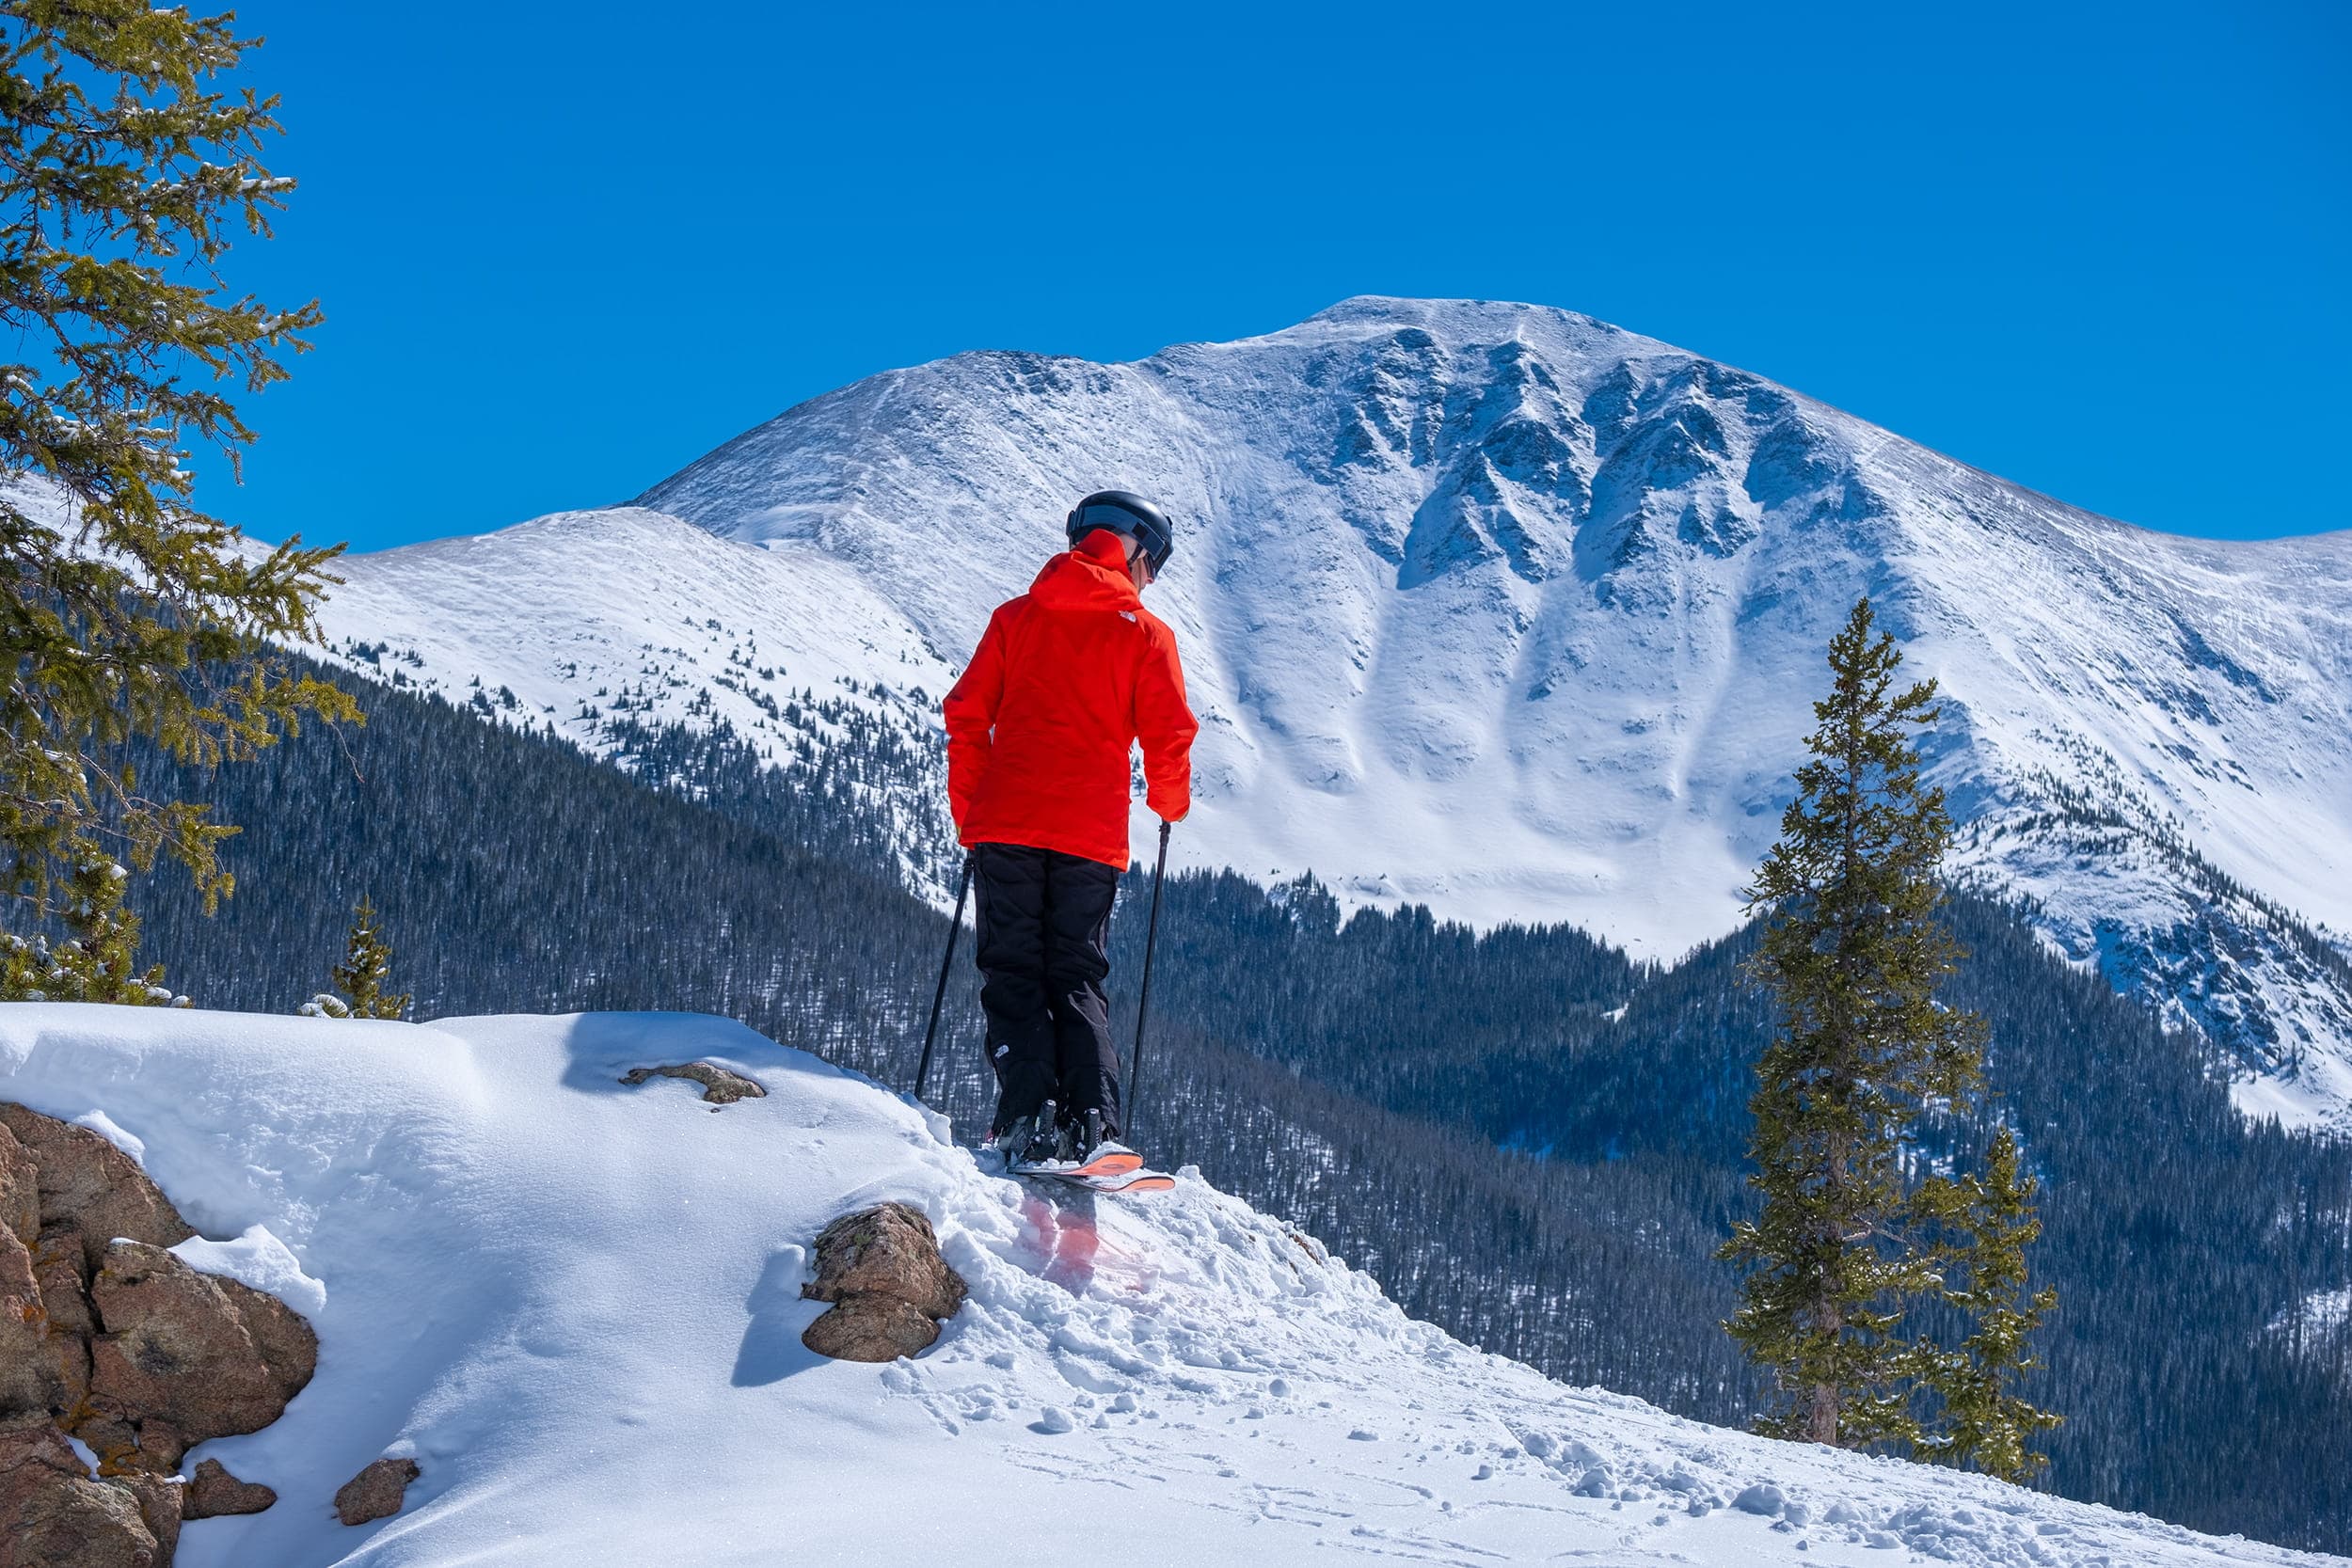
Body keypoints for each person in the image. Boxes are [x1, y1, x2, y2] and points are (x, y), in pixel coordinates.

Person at [943, 489, 1199, 1169]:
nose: (1151, 580)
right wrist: (1170, 803)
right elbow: (1169, 735)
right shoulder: (1145, 635)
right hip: (1091, 835)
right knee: (1078, 974)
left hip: (1008, 823)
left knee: (1013, 969)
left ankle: (1025, 1113)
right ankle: (1095, 1125)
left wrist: (971, 811)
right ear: (1134, 549)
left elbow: (967, 717)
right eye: (1154, 564)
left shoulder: (1015, 619)